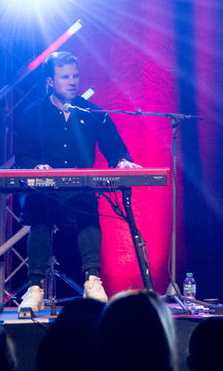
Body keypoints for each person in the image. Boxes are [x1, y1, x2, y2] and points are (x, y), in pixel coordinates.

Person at [13, 50, 140, 314]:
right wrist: (37, 166)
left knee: (88, 205)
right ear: (50, 81)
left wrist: (122, 161)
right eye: (64, 77)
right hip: (46, 190)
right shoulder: (33, 112)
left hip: (80, 188)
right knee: (40, 210)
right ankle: (35, 286)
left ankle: (92, 279)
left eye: (75, 76)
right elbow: (23, 155)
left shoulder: (92, 111)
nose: (72, 82)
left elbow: (115, 147)